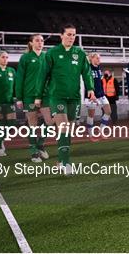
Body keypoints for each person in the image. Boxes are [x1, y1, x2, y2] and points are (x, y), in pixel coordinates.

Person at [35, 24, 95, 175]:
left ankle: (61, 160)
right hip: (57, 96)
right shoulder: (52, 53)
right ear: (61, 35)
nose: (71, 37)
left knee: (69, 130)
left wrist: (91, 89)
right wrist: (38, 96)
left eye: (73, 35)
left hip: (74, 97)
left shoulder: (80, 53)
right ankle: (66, 163)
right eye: (68, 34)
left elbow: (87, 73)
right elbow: (43, 75)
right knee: (62, 127)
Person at [15, 34, 52, 163]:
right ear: (31, 43)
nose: (40, 43)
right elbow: (19, 78)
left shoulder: (47, 57)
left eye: (42, 40)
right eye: (37, 40)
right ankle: (33, 151)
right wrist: (19, 97)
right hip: (29, 95)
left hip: (45, 95)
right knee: (32, 123)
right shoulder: (25, 58)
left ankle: (40, 143)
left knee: (50, 121)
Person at [85, 53, 112, 142]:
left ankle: (101, 130)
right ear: (92, 59)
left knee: (108, 111)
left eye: (99, 58)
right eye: (97, 58)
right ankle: (91, 135)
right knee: (91, 115)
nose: (99, 60)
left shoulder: (99, 69)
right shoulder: (87, 68)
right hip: (91, 96)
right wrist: (92, 95)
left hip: (101, 95)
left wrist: (102, 93)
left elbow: (99, 83)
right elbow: (87, 82)